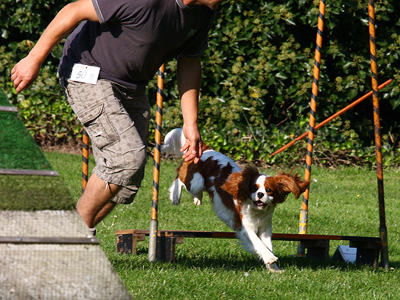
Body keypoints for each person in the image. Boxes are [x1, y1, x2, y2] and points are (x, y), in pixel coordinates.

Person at [11, 0, 224, 230]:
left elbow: (190, 60)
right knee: (125, 161)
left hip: (132, 86)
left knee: (127, 181)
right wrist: (33, 59)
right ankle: (67, 238)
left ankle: (71, 234)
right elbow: (74, 10)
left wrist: (190, 123)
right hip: (89, 73)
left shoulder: (205, 11)